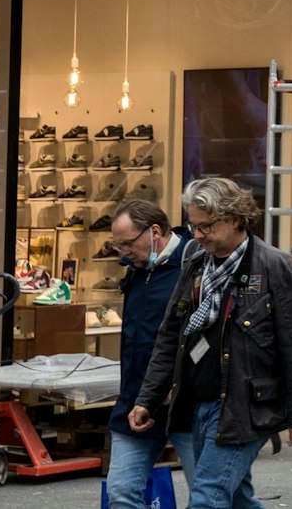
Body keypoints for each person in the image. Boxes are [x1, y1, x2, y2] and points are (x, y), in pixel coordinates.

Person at [129, 178, 292, 509]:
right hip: (198, 402)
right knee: (236, 500)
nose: (197, 235)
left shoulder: (275, 267)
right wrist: (148, 397)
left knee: (207, 497)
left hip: (245, 408)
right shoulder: (196, 261)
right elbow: (171, 336)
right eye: (194, 226)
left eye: (206, 226)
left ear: (234, 218)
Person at [106, 200, 193, 509]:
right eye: (118, 246)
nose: (124, 253)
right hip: (136, 401)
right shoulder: (137, 269)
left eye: (128, 244)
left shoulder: (194, 264)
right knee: (121, 492)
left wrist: (180, 382)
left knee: (211, 498)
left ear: (155, 232)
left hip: (186, 405)